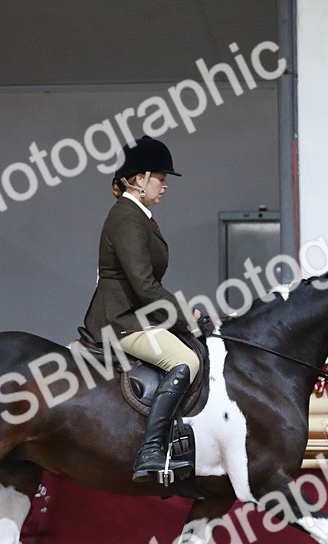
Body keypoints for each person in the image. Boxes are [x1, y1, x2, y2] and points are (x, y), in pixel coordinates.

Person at [83, 136, 200, 484]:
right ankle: (151, 450)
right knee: (185, 361)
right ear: (139, 178)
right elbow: (143, 284)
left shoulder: (139, 216)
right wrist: (183, 318)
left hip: (134, 314)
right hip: (119, 320)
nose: (164, 186)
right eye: (160, 179)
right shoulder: (128, 218)